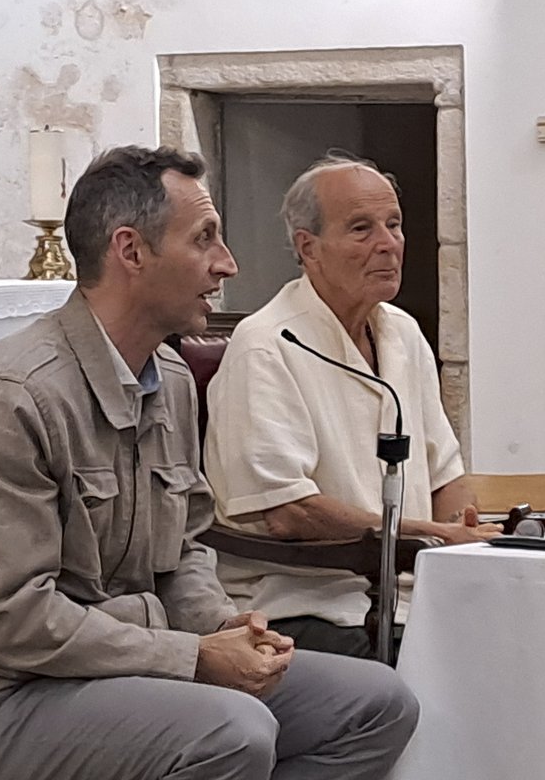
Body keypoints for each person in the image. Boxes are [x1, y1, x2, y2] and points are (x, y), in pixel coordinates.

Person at [0, 146, 419, 780]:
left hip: (140, 668)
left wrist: (225, 625)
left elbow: (189, 546)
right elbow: (16, 622)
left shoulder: (170, 378)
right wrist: (192, 655)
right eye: (205, 239)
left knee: (376, 703)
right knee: (233, 732)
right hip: (6, 697)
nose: (227, 264)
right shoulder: (11, 400)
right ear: (131, 251)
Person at [204, 154, 501, 658]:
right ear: (308, 247)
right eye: (361, 229)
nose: (387, 244)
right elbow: (288, 511)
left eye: (394, 225)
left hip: (413, 588)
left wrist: (462, 540)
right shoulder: (268, 344)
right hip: (307, 601)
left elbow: (444, 475)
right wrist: (430, 536)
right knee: (481, 660)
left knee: (536, 633)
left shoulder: (402, 331)